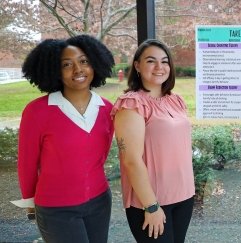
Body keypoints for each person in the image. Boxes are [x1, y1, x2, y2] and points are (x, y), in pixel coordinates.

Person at [17, 35, 115, 242]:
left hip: (99, 202)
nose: (78, 69)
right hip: (55, 209)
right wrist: (30, 203)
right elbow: (27, 163)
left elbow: (101, 155)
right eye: (66, 64)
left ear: (95, 64)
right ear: (54, 70)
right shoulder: (37, 111)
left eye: (84, 61)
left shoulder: (107, 109)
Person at [112, 39, 195, 242]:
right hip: (151, 201)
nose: (160, 67)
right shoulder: (132, 104)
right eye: (151, 61)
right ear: (137, 66)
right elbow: (131, 160)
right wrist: (151, 205)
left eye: (165, 61)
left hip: (184, 195)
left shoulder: (176, 100)